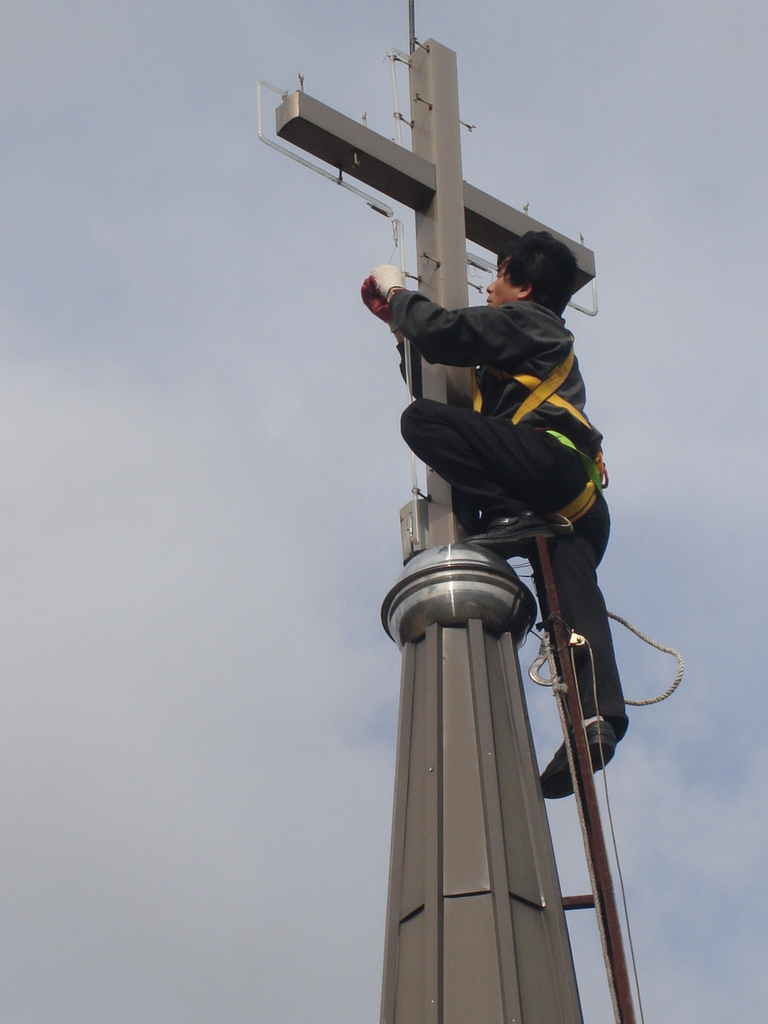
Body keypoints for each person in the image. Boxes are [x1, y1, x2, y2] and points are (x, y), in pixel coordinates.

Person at [361, 231, 627, 798]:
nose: (488, 285)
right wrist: (399, 327)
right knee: (575, 600)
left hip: (544, 467)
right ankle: (596, 720)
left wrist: (400, 294)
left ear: (524, 287)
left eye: (499, 276)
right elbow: (440, 371)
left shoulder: (530, 322)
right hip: (574, 501)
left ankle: (507, 516)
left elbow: (447, 334)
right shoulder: (523, 348)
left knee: (421, 424)